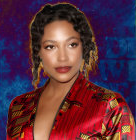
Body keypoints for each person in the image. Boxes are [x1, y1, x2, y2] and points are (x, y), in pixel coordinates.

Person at [7, 3, 135, 140]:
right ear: (39, 52)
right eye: (50, 47)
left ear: (84, 47)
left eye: (72, 45)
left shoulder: (111, 107)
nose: (63, 57)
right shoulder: (19, 107)